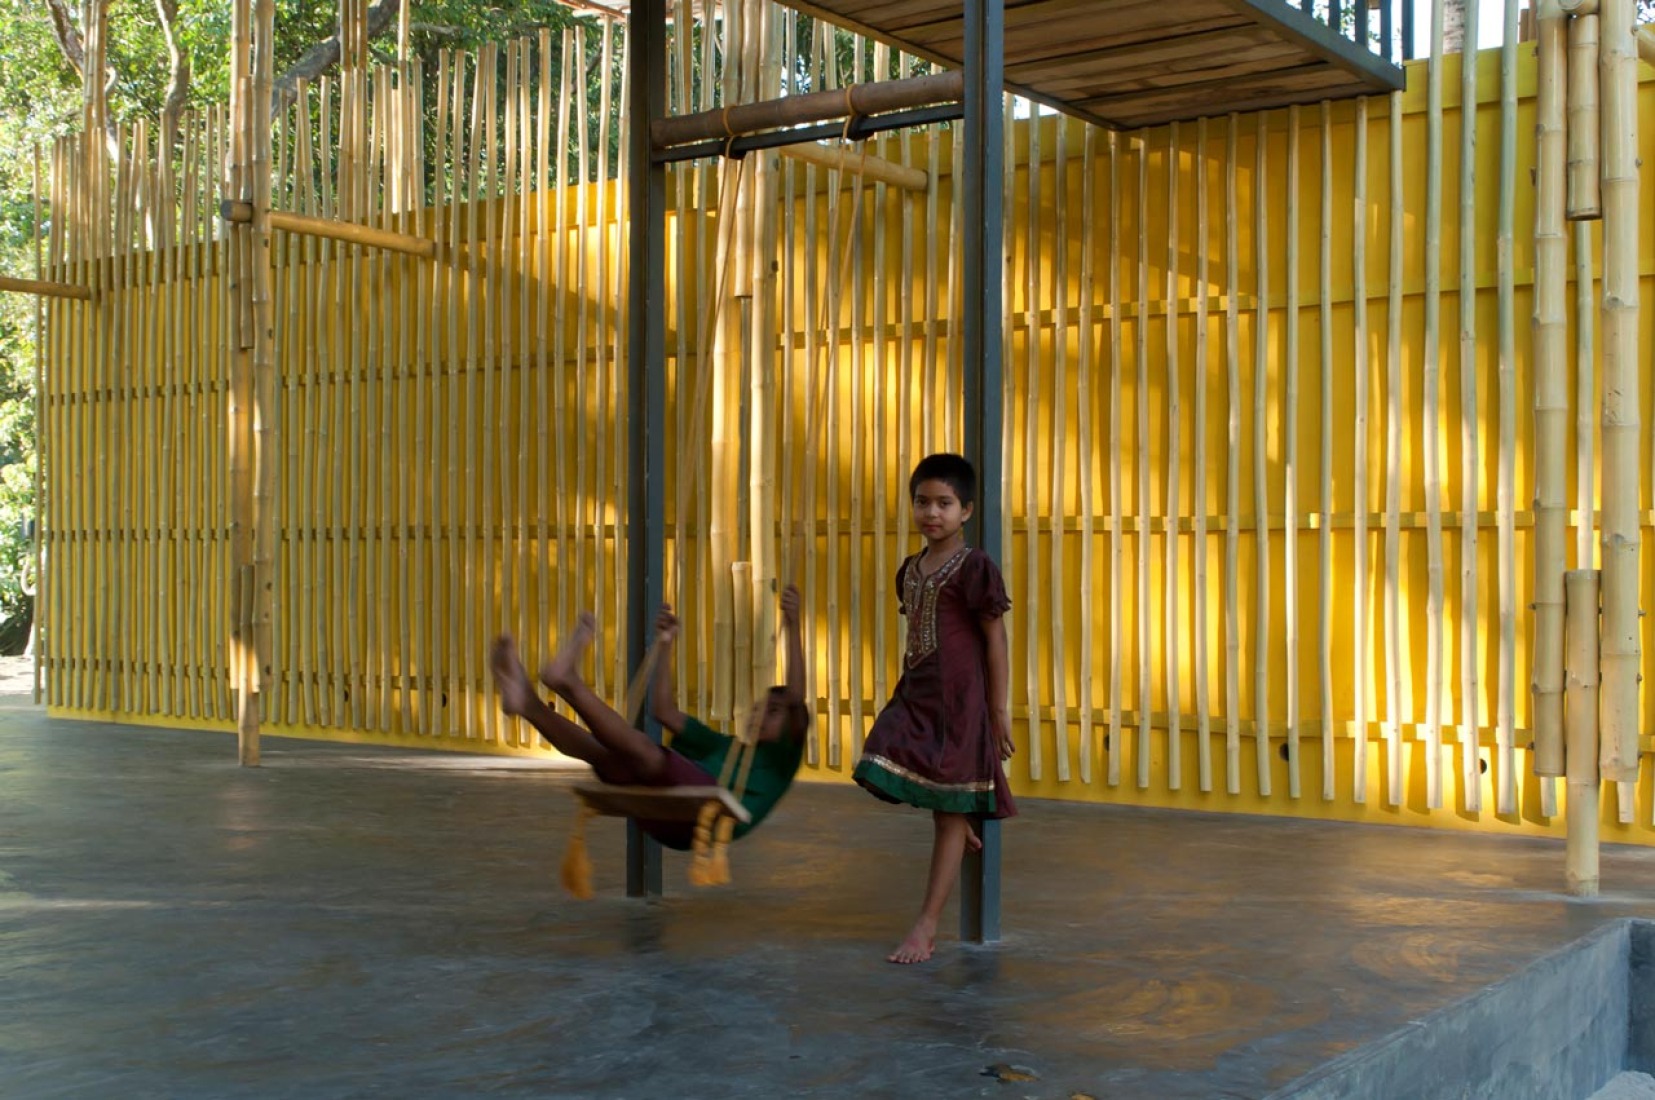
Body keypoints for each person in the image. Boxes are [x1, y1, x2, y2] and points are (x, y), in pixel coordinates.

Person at [490, 584, 809, 851]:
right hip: (671, 814)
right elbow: (663, 712)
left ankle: (567, 682)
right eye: (758, 707)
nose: (759, 715)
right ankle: (528, 704)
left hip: (706, 818)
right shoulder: (723, 746)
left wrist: (792, 624)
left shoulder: (783, 757)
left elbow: (795, 697)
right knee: (604, 758)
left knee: (645, 753)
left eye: (773, 711)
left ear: (792, 724)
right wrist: (666, 645)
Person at [853, 453, 1016, 964]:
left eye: (945, 504)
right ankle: (958, 819)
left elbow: (995, 640)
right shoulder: (912, 569)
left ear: (966, 511)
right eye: (923, 502)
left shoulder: (974, 567)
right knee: (879, 753)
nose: (932, 513)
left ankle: (925, 927)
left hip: (959, 704)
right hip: (917, 693)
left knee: (947, 808)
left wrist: (999, 710)